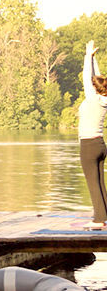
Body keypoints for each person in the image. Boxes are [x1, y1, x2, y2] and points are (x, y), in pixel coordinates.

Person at [79, 40, 107, 229]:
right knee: (100, 183)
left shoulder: (92, 98)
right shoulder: (104, 98)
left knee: (93, 183)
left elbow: (87, 77)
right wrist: (93, 58)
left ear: (93, 88)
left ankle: (98, 220)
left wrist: (87, 56)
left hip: (89, 145)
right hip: (100, 145)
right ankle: (104, 215)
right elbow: (96, 78)